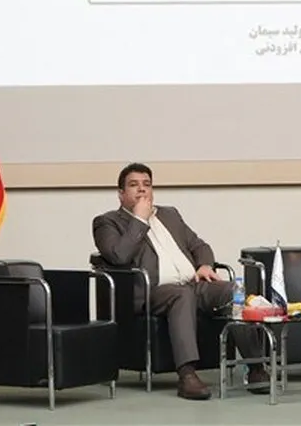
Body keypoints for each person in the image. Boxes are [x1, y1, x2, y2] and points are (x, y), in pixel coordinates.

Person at [92, 162, 268, 400]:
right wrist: (140, 220)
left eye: (147, 184)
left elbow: (200, 245)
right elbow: (118, 255)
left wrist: (204, 264)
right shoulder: (107, 222)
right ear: (121, 194)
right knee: (181, 294)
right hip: (150, 291)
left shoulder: (170, 215)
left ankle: (256, 368)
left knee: (232, 291)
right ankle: (187, 376)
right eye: (134, 185)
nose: (142, 190)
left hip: (191, 284)